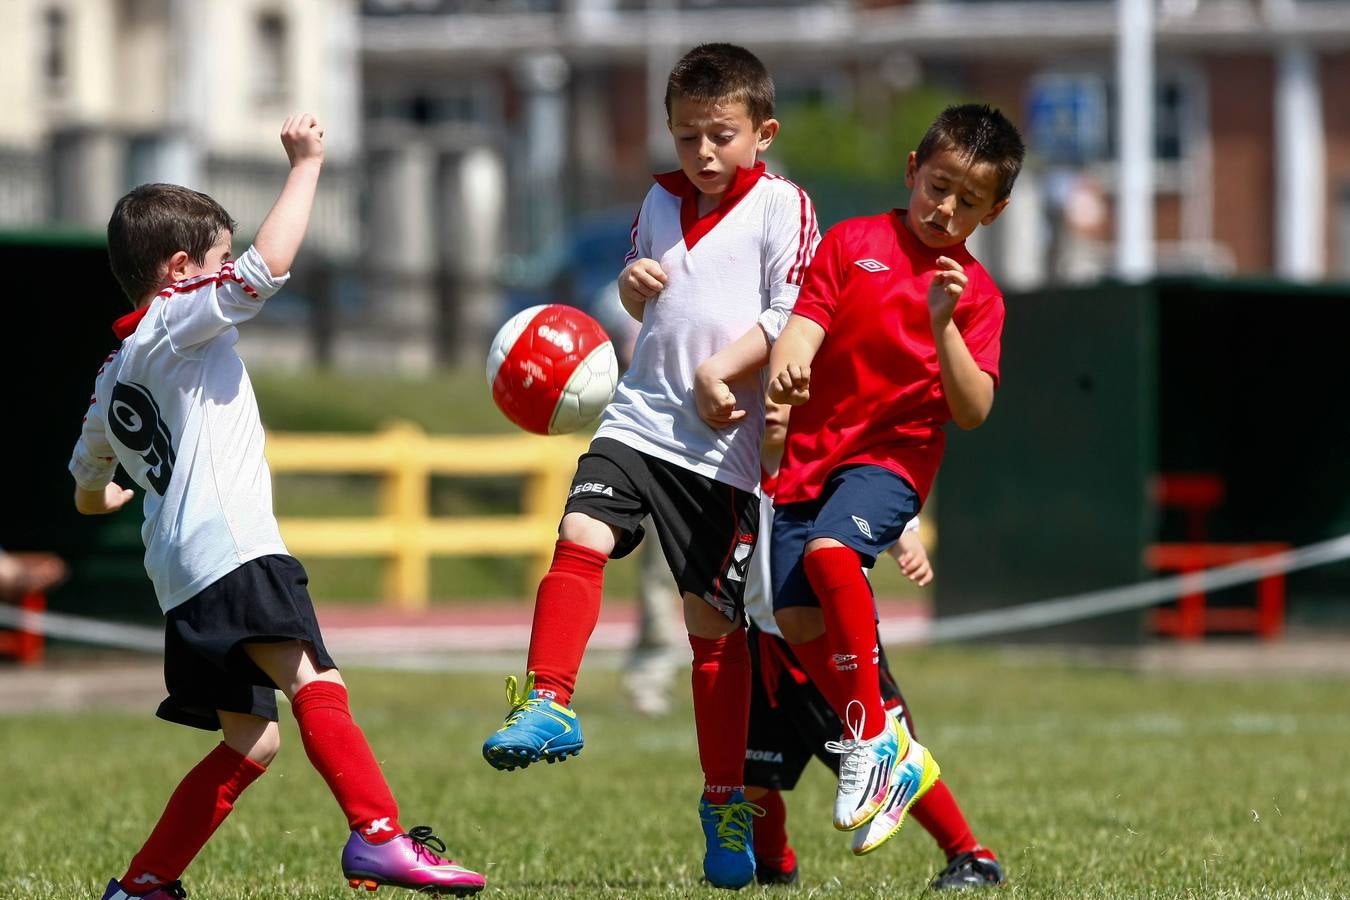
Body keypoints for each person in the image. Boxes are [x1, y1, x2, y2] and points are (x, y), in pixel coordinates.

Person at [68, 115, 485, 899]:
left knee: (252, 743)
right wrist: (307, 164)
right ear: (182, 268)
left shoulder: (113, 370)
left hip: (180, 576)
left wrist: (115, 491)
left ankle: (144, 883)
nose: (226, 277)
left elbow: (85, 487)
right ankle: (379, 837)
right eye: (215, 261)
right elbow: (270, 265)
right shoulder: (178, 318)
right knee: (315, 682)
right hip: (233, 548)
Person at [480, 43, 819, 890]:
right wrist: (632, 290)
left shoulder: (784, 207)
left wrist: (721, 373)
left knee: (712, 632)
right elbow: (649, 300)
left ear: (761, 133)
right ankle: (548, 702)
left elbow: (795, 311)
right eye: (686, 137)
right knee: (581, 531)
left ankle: (723, 800)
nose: (702, 154)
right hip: (638, 420)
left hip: (725, 454)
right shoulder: (660, 200)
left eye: (721, 135)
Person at [766, 104, 1025, 846]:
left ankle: (873, 738)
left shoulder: (977, 295)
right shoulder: (852, 244)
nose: (946, 209)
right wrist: (788, 367)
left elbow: (972, 409)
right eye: (939, 186)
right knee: (795, 617)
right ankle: (891, 750)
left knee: (830, 554)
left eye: (968, 201)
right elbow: (805, 325)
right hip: (810, 461)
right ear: (914, 169)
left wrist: (944, 322)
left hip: (891, 461)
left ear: (995, 211)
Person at [744, 402, 1004, 890]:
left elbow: (870, 501)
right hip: (767, 647)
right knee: (752, 774)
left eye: (790, 397)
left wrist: (905, 539)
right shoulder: (736, 469)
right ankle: (775, 865)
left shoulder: (824, 466)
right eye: (766, 396)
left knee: (893, 752)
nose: (776, 407)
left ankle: (970, 855)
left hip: (837, 645)